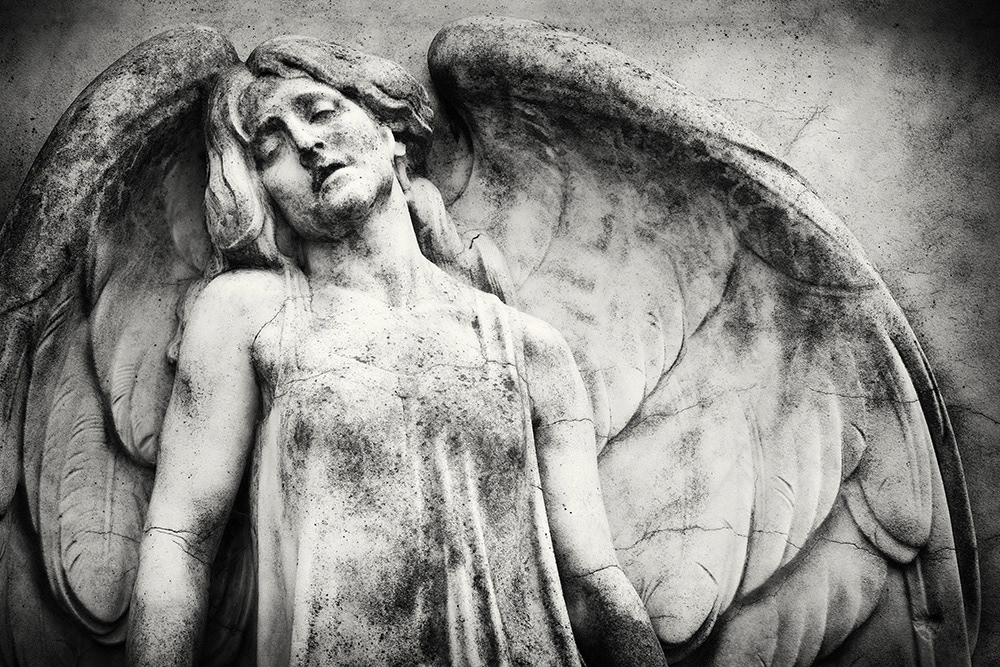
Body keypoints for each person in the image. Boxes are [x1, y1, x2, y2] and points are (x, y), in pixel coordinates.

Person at [127, 35, 666, 667]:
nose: (306, 146)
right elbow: (180, 542)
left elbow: (593, 579)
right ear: (262, 190)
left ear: (389, 132)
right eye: (271, 150)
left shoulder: (526, 347)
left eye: (322, 112)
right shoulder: (250, 315)